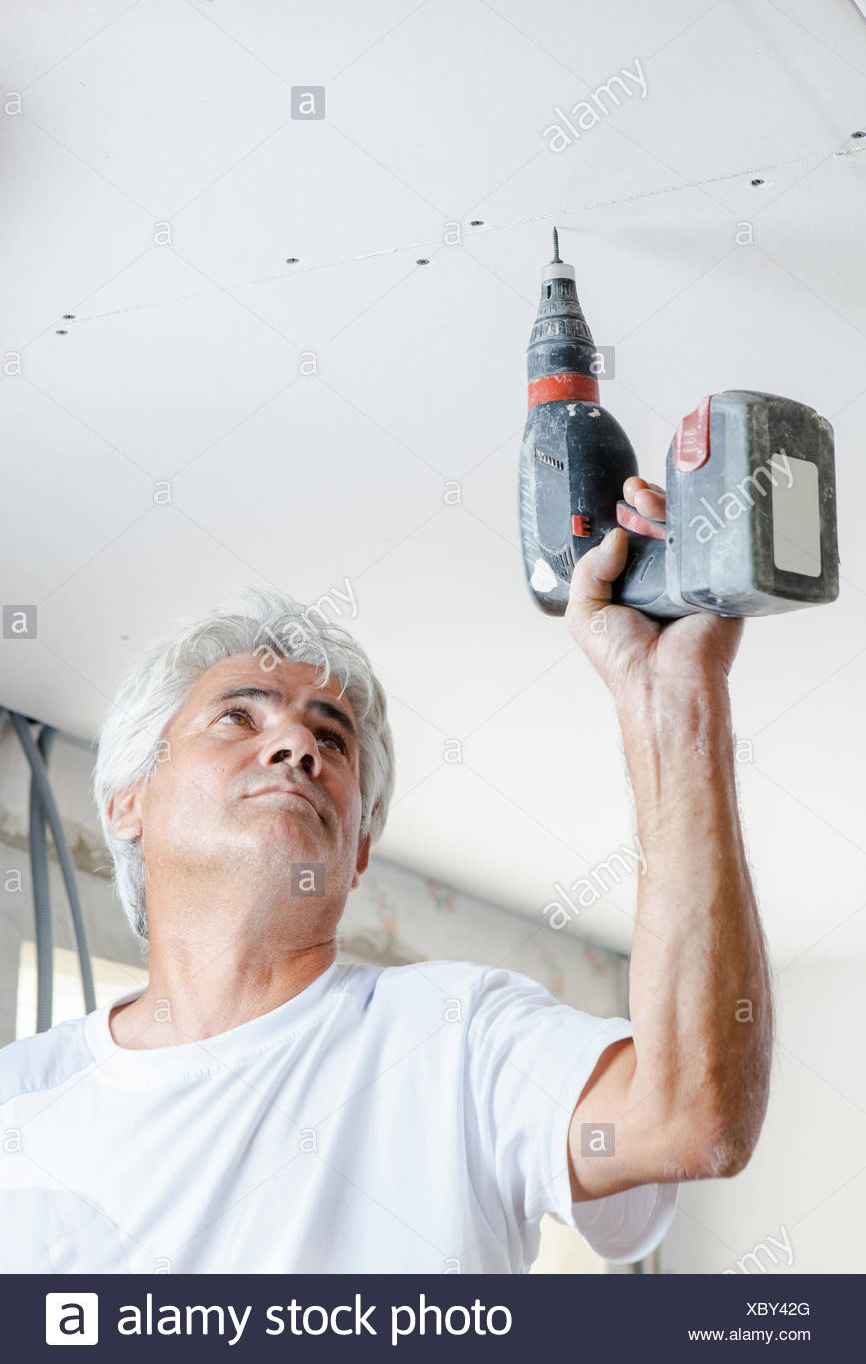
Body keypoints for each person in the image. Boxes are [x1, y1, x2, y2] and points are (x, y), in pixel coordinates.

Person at [0, 477, 773, 1274]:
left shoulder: (457, 1039)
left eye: (332, 743)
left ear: (359, 846)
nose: (297, 747)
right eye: (240, 716)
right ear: (128, 800)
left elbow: (688, 1116)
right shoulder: (18, 1101)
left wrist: (673, 702)